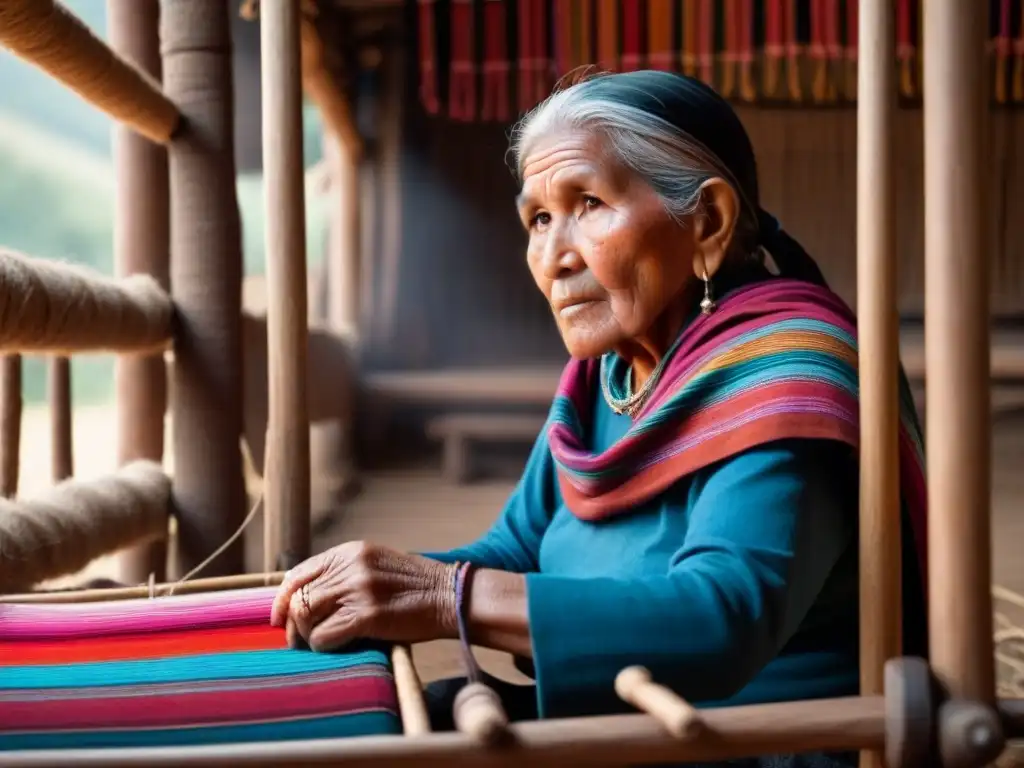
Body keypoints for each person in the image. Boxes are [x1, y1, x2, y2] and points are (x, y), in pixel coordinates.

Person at [270, 71, 929, 768]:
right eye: (539, 218)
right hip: (628, 720)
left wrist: (443, 595)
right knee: (405, 721)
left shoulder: (787, 375)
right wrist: (377, 583)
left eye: (588, 203)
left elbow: (722, 618)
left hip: (757, 743)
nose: (555, 256)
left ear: (706, 222)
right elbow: (518, 550)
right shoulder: (606, 375)